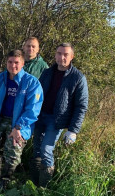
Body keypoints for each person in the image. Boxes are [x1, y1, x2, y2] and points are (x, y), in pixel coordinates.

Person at [0, 49, 43, 192]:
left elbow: (33, 109)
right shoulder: (0, 79)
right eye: (10, 62)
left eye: (16, 63)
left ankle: (6, 179)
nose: (13, 65)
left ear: (22, 64)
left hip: (20, 123)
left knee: (13, 149)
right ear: (6, 62)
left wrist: (18, 127)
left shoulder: (32, 83)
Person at [30, 43, 88, 187]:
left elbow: (81, 106)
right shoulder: (47, 72)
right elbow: (38, 94)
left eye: (65, 54)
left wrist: (73, 130)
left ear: (71, 57)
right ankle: (33, 183)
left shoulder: (78, 78)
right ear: (55, 55)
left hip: (56, 121)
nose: (62, 57)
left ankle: (44, 187)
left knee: (46, 149)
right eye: (59, 53)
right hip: (40, 116)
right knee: (36, 147)